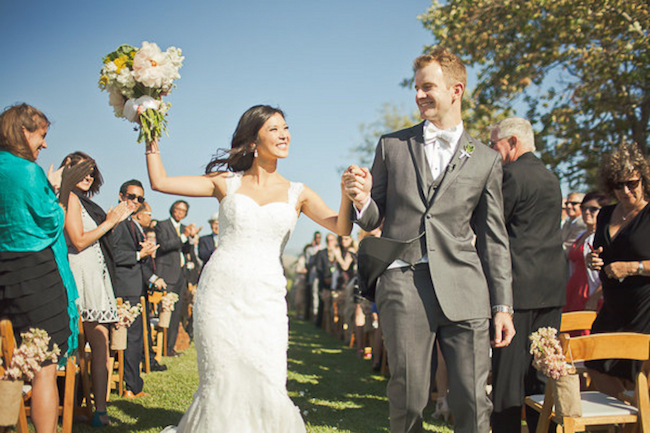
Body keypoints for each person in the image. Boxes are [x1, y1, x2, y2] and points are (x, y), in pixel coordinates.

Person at [148, 104, 352, 432]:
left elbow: (341, 227)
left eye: (285, 128)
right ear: (253, 140)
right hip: (220, 293)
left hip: (266, 298)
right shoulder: (225, 183)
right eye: (274, 129)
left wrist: (346, 195)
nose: (284, 134)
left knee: (267, 378)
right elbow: (159, 182)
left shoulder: (297, 192)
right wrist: (149, 130)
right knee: (221, 378)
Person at [343, 48, 515, 433]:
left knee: (472, 398)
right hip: (404, 282)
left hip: (467, 288)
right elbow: (374, 218)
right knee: (408, 395)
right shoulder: (391, 146)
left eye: (427, 87)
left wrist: (502, 305)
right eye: (416, 88)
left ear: (456, 90)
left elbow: (494, 239)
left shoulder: (486, 159)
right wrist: (362, 199)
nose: (419, 95)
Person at [0, 103, 80, 433]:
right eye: (42, 135)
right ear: (23, 131)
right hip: (34, 274)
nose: (44, 144)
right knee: (44, 364)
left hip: (3, 272)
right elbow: (52, 221)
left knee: (11, 361)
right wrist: (62, 189)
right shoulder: (26, 170)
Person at [487, 117, 568, 433]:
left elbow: (494, 229)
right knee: (541, 375)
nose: (494, 151)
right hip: (551, 288)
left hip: (518, 290)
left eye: (495, 144)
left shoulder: (510, 175)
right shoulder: (552, 177)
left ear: (512, 143)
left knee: (507, 379)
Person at [61, 151, 135, 426]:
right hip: (79, 275)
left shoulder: (85, 202)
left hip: (97, 275)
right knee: (81, 345)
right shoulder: (67, 198)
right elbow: (79, 241)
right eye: (82, 170)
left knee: (101, 344)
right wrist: (109, 222)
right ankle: (74, 403)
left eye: (92, 172)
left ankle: (100, 411)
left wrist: (113, 221)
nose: (89, 176)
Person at [586, 142, 650, 397]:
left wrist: (632, 268)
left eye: (632, 183)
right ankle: (624, 422)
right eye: (618, 185)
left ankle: (636, 423)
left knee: (636, 373)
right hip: (612, 304)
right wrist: (593, 261)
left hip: (644, 306)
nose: (626, 190)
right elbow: (600, 252)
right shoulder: (605, 214)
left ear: (643, 180)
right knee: (595, 364)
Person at [112, 180, 166, 398]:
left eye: (140, 198)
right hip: (125, 288)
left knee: (135, 337)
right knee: (131, 338)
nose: (135, 201)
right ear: (120, 196)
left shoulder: (132, 225)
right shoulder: (117, 221)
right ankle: (130, 385)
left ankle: (133, 384)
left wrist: (144, 254)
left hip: (135, 287)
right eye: (131, 197)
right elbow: (113, 254)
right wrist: (138, 255)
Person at [155, 200, 198, 356]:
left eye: (183, 211)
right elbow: (165, 245)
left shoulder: (183, 228)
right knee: (165, 311)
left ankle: (169, 347)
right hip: (166, 274)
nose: (180, 213)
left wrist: (191, 238)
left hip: (181, 274)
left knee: (176, 313)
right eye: (178, 209)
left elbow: (186, 249)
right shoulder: (162, 225)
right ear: (172, 210)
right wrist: (184, 236)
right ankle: (160, 346)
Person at [564, 191, 608, 313]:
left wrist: (595, 297)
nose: (587, 212)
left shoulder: (604, 237)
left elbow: (608, 272)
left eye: (593, 209)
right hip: (574, 289)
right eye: (584, 208)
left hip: (591, 292)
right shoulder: (580, 235)